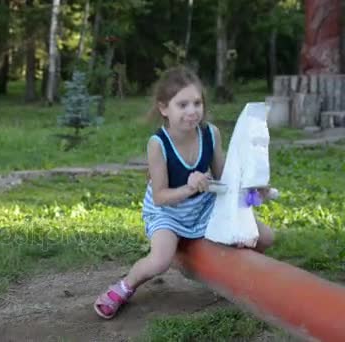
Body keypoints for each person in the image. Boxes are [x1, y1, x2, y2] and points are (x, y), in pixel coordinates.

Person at [93, 66, 275, 320]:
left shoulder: (211, 134)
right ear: (164, 108)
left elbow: (225, 181)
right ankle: (124, 287)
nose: (192, 111)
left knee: (264, 237)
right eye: (182, 105)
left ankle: (239, 276)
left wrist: (253, 191)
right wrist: (189, 187)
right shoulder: (158, 144)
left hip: (204, 205)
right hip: (169, 211)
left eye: (197, 103)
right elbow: (160, 197)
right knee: (160, 260)